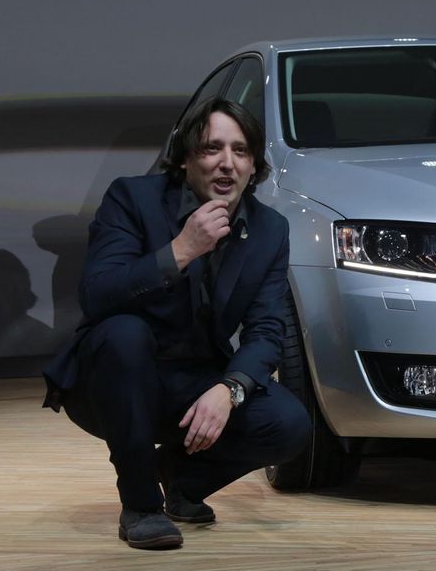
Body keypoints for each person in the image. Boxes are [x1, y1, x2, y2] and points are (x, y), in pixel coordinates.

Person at [43, 97, 310, 550]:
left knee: (289, 424)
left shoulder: (269, 229)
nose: (227, 163)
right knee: (125, 333)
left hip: (195, 381)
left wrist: (229, 389)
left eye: (240, 151)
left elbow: (267, 330)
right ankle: (141, 505)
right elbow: (97, 294)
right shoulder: (133, 199)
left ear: (253, 166)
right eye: (212, 148)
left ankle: (180, 479)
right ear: (186, 158)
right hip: (115, 379)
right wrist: (181, 250)